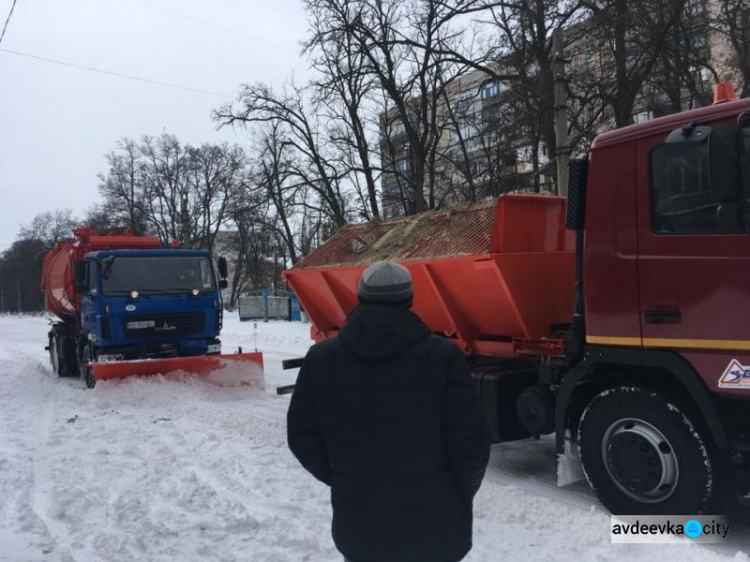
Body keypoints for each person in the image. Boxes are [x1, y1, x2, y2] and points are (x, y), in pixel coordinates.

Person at [287, 260, 491, 562]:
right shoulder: (443, 357)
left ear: (361, 296)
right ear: (409, 300)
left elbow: (302, 436)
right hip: (434, 526)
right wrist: (457, 494)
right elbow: (471, 443)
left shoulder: (321, 358)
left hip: (360, 524)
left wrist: (344, 478)